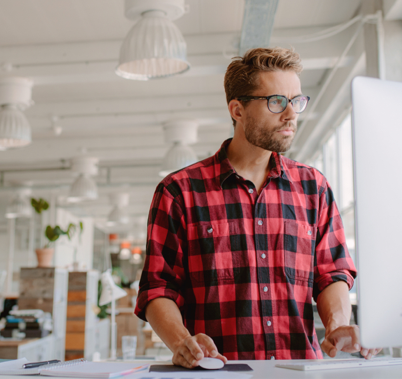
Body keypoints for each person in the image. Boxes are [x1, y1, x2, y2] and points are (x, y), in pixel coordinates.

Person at [135, 47, 381, 368]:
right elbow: (158, 287)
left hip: (299, 372)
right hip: (217, 373)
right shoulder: (179, 191)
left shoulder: (313, 187)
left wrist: (336, 326)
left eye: (296, 101)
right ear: (237, 109)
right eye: (276, 102)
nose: (291, 114)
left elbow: (331, 272)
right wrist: (183, 343)